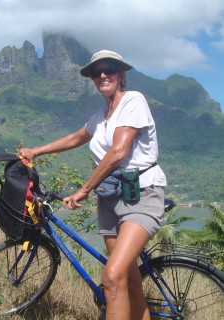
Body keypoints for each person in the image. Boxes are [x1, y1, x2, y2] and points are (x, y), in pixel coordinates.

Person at [19, 50, 167, 320]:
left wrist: (84, 189)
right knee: (127, 280)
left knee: (111, 277)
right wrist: (36, 151)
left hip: (140, 194)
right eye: (97, 72)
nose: (102, 75)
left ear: (120, 74)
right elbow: (77, 137)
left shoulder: (133, 100)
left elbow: (119, 151)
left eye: (109, 69)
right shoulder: (101, 114)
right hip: (109, 197)